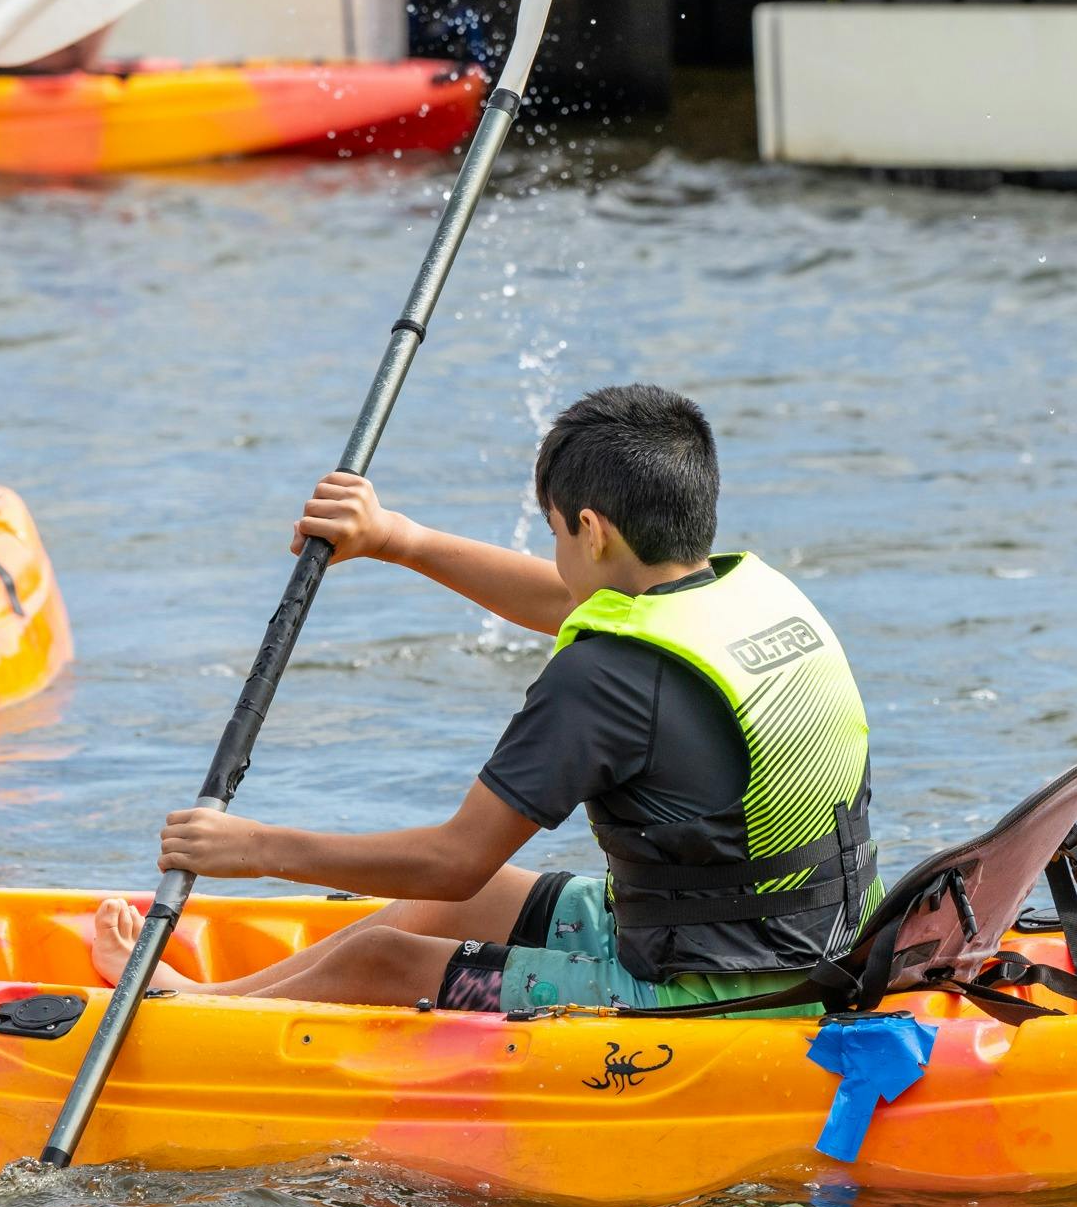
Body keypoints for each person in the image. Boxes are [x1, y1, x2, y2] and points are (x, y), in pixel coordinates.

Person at [88, 385, 879, 1016]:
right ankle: (201, 1004)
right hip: (820, 949)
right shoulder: (752, 597)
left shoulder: (602, 677)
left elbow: (452, 861)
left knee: (384, 957)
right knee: (456, 908)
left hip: (707, 1000)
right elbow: (566, 598)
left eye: (559, 536)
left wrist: (253, 848)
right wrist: (400, 539)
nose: (559, 558)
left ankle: (184, 1020)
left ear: (593, 530)